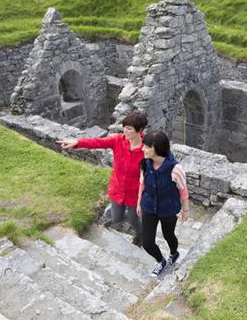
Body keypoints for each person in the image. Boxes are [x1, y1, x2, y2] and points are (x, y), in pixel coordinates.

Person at [58, 111, 147, 246]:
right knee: (116, 218)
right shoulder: (118, 140)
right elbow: (97, 142)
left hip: (135, 193)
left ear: (139, 130)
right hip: (117, 189)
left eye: (129, 128)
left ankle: (141, 235)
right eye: (124, 127)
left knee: (133, 218)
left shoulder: (147, 148)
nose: (125, 131)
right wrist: (77, 142)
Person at [136, 131, 190, 277]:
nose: (143, 149)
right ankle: (161, 261)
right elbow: (142, 184)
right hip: (148, 207)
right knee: (147, 243)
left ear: (157, 148)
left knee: (169, 235)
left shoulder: (175, 169)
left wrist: (185, 210)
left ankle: (174, 253)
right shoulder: (145, 164)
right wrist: (139, 203)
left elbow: (183, 190)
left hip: (168, 209)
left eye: (146, 147)